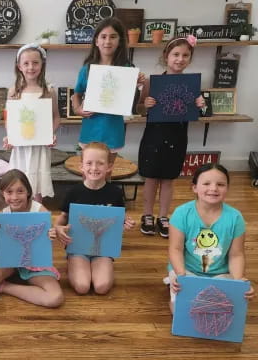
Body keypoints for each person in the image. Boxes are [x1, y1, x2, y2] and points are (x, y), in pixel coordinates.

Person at [138, 35, 205, 238]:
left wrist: (201, 106)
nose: (180, 59)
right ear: (166, 56)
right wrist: (145, 105)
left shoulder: (191, 85)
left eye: (185, 55)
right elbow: (138, 108)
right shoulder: (153, 82)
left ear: (190, 59)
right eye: (176, 54)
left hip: (177, 138)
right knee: (150, 178)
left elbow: (197, 113)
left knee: (168, 179)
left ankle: (163, 216)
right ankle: (147, 215)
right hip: (154, 136)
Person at [168, 163, 255, 313]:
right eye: (206, 183)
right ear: (194, 187)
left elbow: (236, 255)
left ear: (227, 188)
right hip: (187, 271)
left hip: (221, 274)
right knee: (182, 312)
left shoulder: (235, 218)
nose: (213, 188)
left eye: (220, 184)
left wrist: (239, 279)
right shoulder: (181, 213)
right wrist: (181, 275)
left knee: (221, 312)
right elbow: (175, 249)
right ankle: (173, 285)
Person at [0, 169, 64, 308]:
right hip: (12, 261)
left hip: (35, 263)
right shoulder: (3, 214)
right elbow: (0, 250)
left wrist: (51, 236)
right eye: (9, 192)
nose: (14, 197)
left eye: (20, 191)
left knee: (54, 298)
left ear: (28, 191)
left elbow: (45, 247)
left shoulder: (40, 211)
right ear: (3, 193)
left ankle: (3, 287)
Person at [55, 142, 135, 295]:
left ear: (109, 167)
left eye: (100, 163)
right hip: (77, 247)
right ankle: (75, 263)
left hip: (104, 249)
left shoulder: (115, 192)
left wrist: (126, 222)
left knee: (101, 287)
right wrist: (58, 228)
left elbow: (121, 216)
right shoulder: (74, 192)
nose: (94, 168)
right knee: (82, 287)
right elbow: (62, 217)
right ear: (81, 167)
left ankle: (99, 267)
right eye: (89, 163)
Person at [72, 18, 145, 168]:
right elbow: (76, 94)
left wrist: (137, 85)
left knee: (107, 171)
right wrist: (78, 109)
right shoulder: (87, 69)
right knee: (88, 172)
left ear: (120, 41)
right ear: (96, 41)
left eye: (113, 36)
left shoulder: (127, 69)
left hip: (113, 131)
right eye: (103, 36)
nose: (107, 41)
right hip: (91, 129)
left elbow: (132, 102)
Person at [3, 43, 61, 203]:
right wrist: (10, 136)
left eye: (35, 63)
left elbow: (56, 117)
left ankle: (36, 214)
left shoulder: (49, 91)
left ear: (42, 65)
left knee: (37, 182)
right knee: (18, 179)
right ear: (19, 66)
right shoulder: (14, 91)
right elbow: (9, 118)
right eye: (26, 63)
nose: (31, 67)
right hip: (21, 147)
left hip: (40, 147)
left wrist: (51, 133)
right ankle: (19, 211)